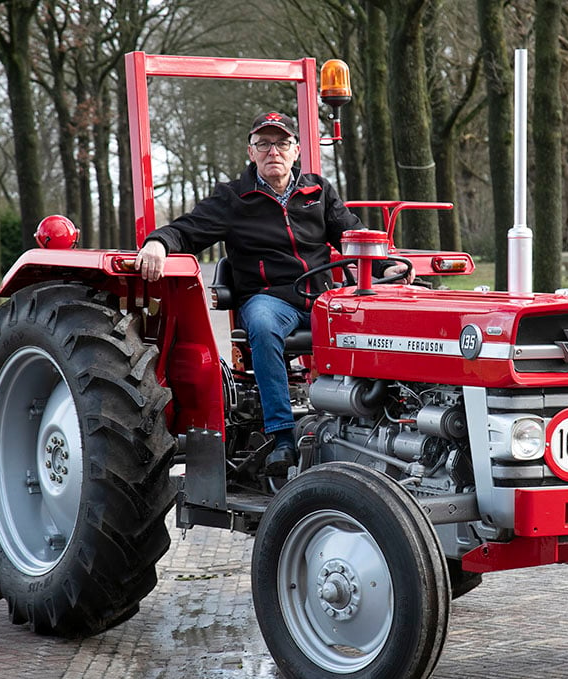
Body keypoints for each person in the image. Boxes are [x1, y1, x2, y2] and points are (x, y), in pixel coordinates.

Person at [136, 111, 411, 476]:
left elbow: (351, 233)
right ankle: (282, 438)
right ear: (251, 153)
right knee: (263, 326)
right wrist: (158, 243)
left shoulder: (318, 191)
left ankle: (384, 421)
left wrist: (385, 267)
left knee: (384, 317)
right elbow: (187, 230)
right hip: (270, 299)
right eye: (263, 144)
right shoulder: (234, 198)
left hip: (322, 298)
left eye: (281, 143)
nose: (273, 152)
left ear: (296, 150)